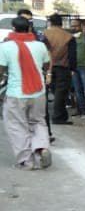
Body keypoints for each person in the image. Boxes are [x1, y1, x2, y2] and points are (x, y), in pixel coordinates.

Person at [0, 17, 51, 170]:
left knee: (16, 125)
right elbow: (46, 65)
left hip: (17, 93)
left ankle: (26, 161)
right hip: (38, 92)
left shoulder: (6, 47)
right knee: (38, 121)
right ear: (29, 28)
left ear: (13, 29)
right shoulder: (40, 45)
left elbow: (1, 70)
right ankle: (41, 147)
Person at [43, 14, 75, 125]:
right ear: (61, 23)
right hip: (63, 67)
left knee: (48, 92)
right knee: (61, 93)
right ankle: (58, 117)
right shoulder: (68, 36)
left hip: (47, 68)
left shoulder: (44, 34)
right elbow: (72, 55)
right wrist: (73, 69)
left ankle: (46, 115)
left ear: (50, 22)